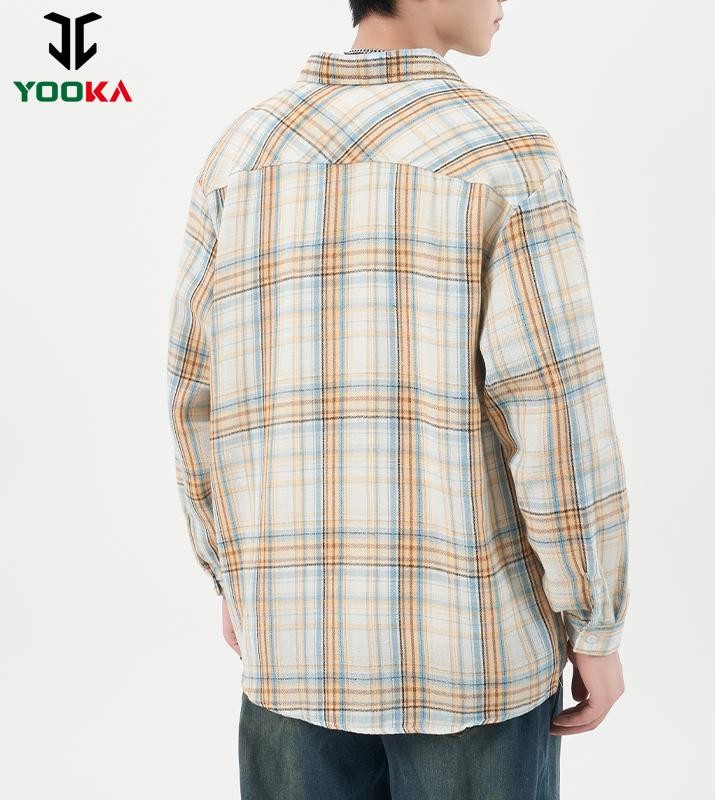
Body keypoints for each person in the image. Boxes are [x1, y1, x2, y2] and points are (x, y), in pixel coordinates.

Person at [166, 1, 630, 797]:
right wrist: (595, 621)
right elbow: (555, 411)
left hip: (292, 637)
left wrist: (234, 574)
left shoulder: (242, 153)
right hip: (472, 653)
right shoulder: (502, 152)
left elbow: (193, 394)